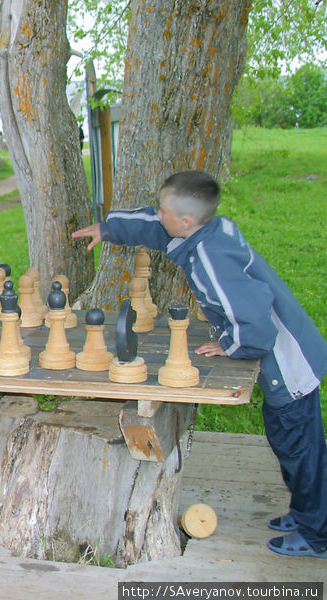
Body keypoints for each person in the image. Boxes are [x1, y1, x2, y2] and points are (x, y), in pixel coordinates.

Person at [72, 170, 327, 559]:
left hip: (290, 367)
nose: (158, 214)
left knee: (299, 448)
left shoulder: (210, 259)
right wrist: (109, 229)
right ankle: (308, 512)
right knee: (291, 445)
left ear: (186, 222)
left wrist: (231, 344)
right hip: (284, 360)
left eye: (164, 210)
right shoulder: (207, 230)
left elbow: (256, 324)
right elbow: (157, 229)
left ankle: (317, 533)